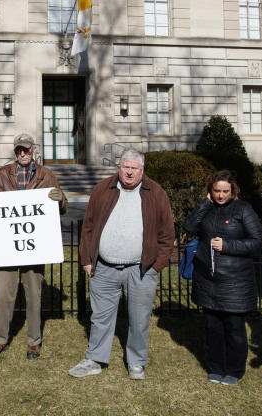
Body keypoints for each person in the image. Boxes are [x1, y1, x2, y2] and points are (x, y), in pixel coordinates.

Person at [68, 149, 175, 381]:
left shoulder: (156, 193)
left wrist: (156, 266)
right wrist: (87, 259)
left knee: (139, 318)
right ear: (119, 168)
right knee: (100, 317)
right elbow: (88, 227)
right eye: (125, 167)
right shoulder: (102, 189)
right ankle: (95, 359)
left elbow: (167, 235)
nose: (128, 172)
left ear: (142, 171)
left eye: (133, 168)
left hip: (141, 269)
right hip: (104, 268)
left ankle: (136, 362)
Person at [0, 133, 67, 359]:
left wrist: (60, 199)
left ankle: (33, 342)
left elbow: (62, 207)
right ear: (15, 151)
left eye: (26, 149)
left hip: (34, 246)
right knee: (3, 295)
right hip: (8, 246)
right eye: (19, 150)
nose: (22, 153)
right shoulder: (1, 175)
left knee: (33, 295)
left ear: (33, 150)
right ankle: (0, 339)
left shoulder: (47, 175)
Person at [181, 169, 262, 386]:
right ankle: (215, 367)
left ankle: (235, 369)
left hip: (235, 282)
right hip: (208, 280)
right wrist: (205, 203)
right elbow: (188, 227)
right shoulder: (207, 208)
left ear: (233, 190)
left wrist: (228, 246)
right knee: (212, 328)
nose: (221, 195)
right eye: (216, 191)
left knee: (234, 329)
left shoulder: (243, 209)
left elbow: (256, 242)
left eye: (225, 191)